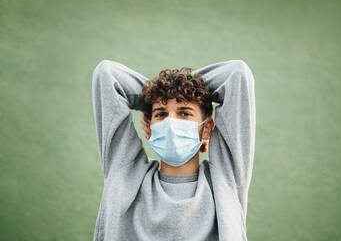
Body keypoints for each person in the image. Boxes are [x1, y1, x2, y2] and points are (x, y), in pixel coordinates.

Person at [91, 59, 256, 241]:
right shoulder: (126, 173)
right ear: (149, 126)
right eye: (160, 114)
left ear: (207, 128)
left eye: (184, 113)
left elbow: (236, 73)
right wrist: (163, 90)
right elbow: (107, 73)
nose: (171, 122)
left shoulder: (224, 179)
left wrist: (175, 86)